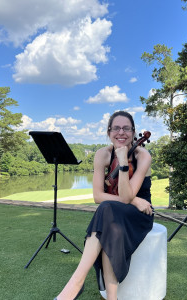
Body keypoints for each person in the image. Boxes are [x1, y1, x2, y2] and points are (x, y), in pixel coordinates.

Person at [54, 111, 154, 300]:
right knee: (107, 213)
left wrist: (124, 162)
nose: (121, 133)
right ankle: (111, 297)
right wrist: (134, 199)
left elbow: (125, 197)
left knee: (107, 211)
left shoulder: (143, 156)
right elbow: (98, 196)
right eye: (116, 128)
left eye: (126, 128)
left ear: (134, 132)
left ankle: (75, 284)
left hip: (140, 214)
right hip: (118, 211)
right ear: (109, 132)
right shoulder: (102, 154)